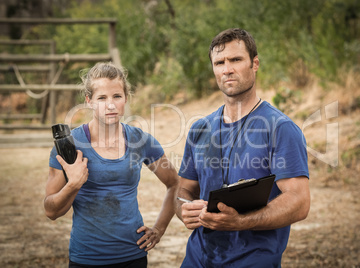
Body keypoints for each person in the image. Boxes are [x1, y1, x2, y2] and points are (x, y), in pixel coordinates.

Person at [175, 28, 310, 267]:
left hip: (253, 261)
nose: (227, 69)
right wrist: (184, 209)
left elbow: (299, 202)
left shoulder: (280, 128)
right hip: (197, 259)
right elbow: (183, 190)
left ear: (254, 63)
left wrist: (241, 222)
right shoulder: (200, 129)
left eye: (236, 60)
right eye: (219, 62)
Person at [44, 62, 179, 267]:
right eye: (102, 98)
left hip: (133, 255)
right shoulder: (69, 146)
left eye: (117, 96)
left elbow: (175, 183)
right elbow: (51, 211)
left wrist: (159, 229)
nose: (110, 105)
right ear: (89, 101)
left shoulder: (140, 140)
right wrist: (74, 184)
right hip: (86, 258)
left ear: (126, 98)